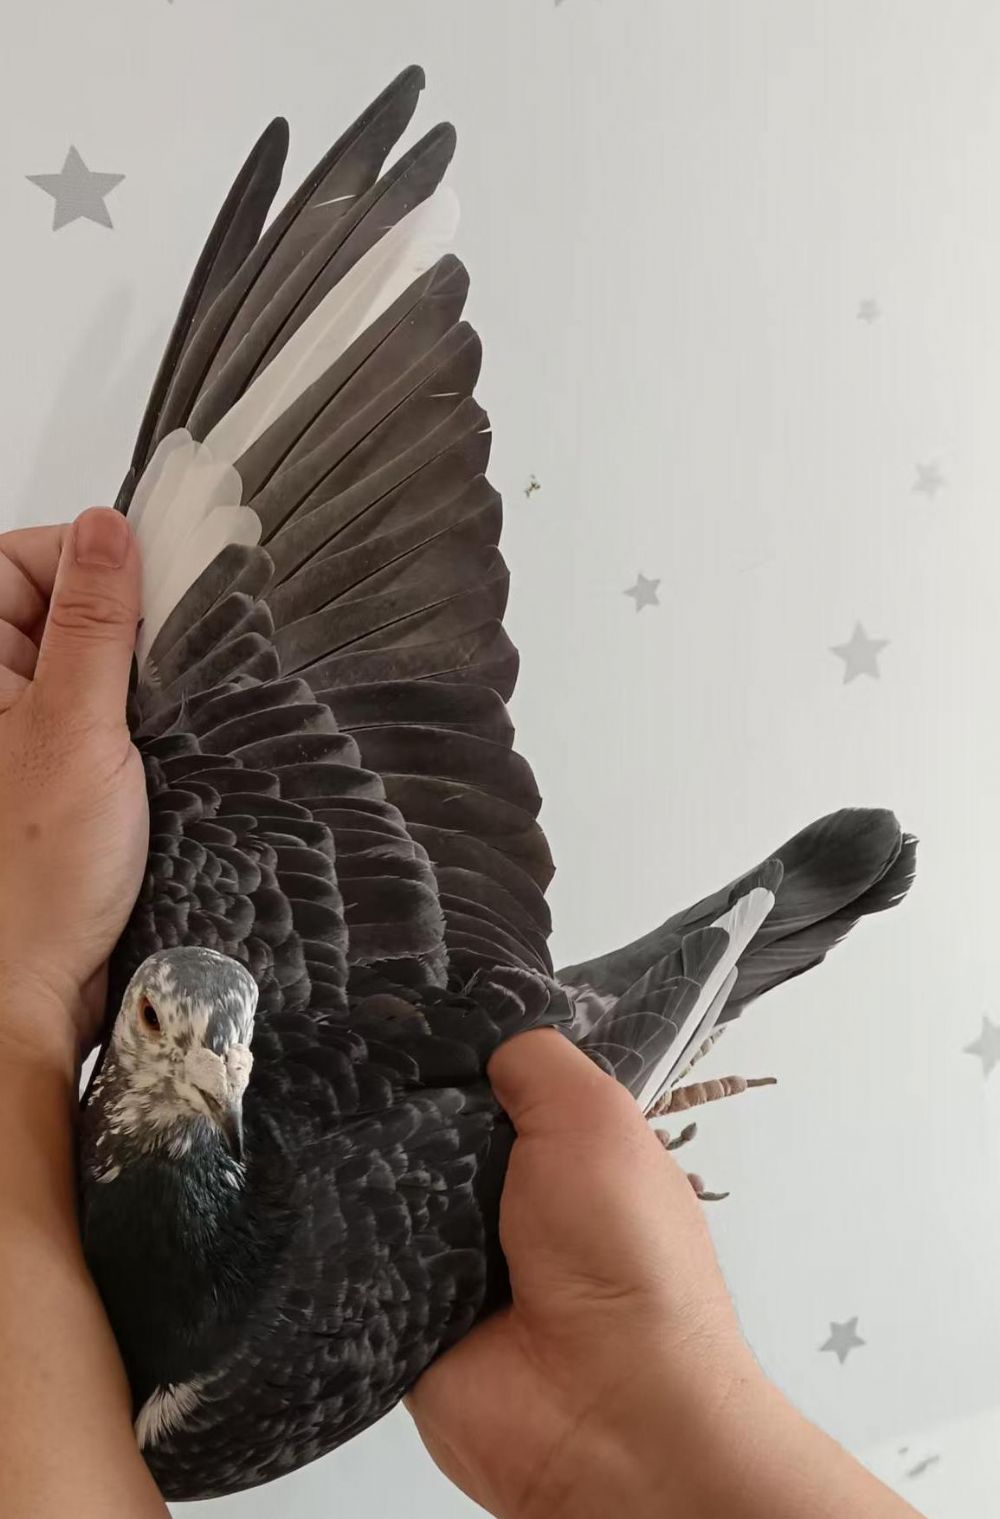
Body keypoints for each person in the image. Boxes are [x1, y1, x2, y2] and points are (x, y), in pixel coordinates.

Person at [0, 507, 921, 1519]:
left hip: (489, 1099)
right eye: (155, 1030)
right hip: (498, 1106)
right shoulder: (193, 1405)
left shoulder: (186, 1378)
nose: (212, 1073)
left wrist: (25, 988)